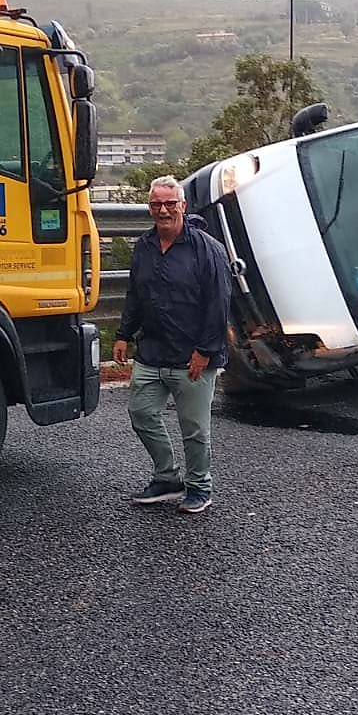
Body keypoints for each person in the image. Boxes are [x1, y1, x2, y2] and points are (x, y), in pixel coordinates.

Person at [113, 175, 232, 515]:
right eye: (156, 205)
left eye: (169, 203)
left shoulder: (206, 248)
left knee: (194, 429)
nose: (163, 210)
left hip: (192, 354)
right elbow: (136, 293)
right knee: (141, 413)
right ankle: (167, 477)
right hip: (152, 350)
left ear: (182, 205)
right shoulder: (145, 246)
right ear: (150, 207)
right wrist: (123, 333)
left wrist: (205, 351)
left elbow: (219, 301)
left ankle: (199, 487)